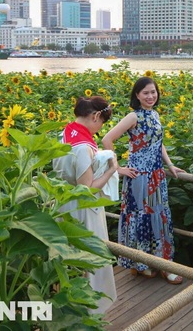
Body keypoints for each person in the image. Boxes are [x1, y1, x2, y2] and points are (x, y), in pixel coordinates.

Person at [102, 76, 186, 284]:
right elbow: (107, 139)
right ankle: (143, 264)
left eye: (153, 92)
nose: (151, 96)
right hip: (138, 177)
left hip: (156, 174)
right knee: (142, 217)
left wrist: (170, 164)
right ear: (137, 95)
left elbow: (159, 143)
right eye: (146, 93)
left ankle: (161, 264)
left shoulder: (155, 114)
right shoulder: (134, 116)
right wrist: (117, 168)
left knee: (159, 217)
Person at [53, 96, 118, 315]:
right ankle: (91, 309)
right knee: (90, 256)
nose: (100, 129)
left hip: (63, 202)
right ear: (95, 116)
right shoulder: (82, 147)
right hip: (82, 209)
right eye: (102, 122)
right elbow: (87, 188)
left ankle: (69, 305)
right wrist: (111, 169)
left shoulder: (65, 133)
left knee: (69, 257)